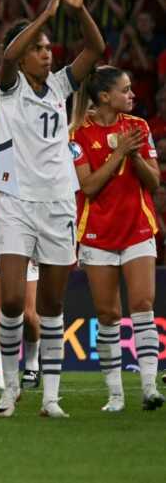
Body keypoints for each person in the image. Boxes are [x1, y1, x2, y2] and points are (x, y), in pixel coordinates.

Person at [0, 0, 104, 419]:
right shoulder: (10, 85)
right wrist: (47, 13)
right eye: (38, 48)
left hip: (58, 200)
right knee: (14, 301)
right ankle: (10, 386)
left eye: (47, 47)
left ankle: (52, 397)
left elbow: (95, 50)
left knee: (53, 303)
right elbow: (7, 55)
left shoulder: (60, 86)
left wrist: (78, 11)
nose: (46, 52)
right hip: (15, 199)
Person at [69, 66, 164, 412]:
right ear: (105, 96)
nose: (132, 95)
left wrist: (134, 154)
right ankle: (115, 395)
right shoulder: (78, 132)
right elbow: (89, 186)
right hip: (97, 233)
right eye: (125, 90)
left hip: (137, 227)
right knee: (108, 314)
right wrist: (119, 153)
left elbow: (154, 183)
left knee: (142, 305)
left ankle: (150, 388)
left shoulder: (138, 128)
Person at [0, 100, 41, 392]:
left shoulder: (24, 156)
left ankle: (32, 365)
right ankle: (0, 375)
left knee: (27, 312)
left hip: (22, 235)